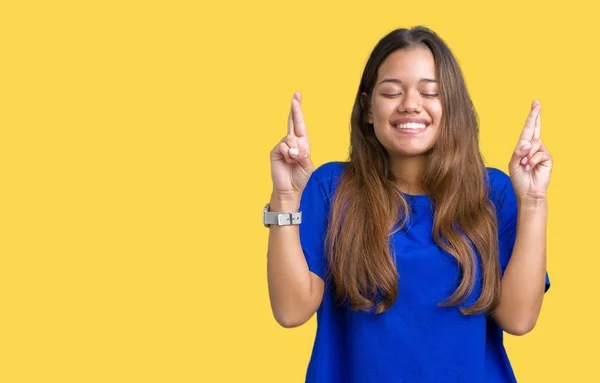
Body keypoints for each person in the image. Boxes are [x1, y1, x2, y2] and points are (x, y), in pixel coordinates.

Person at [265, 26, 552, 383]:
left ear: (451, 107)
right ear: (369, 109)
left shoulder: (493, 192)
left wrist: (534, 201)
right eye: (391, 92)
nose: (410, 104)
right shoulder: (333, 189)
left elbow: (519, 319)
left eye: (430, 92)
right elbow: (291, 311)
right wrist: (286, 196)